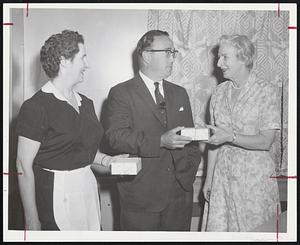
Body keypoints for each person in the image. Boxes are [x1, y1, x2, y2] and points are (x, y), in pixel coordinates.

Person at [16, 30, 124, 231]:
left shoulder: (87, 104)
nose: (87, 64)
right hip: (55, 194)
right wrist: (32, 220)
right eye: (83, 57)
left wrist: (109, 160)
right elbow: (23, 166)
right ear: (64, 61)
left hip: (87, 189)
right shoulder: (36, 107)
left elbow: (83, 152)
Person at [102, 30, 201, 231]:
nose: (173, 58)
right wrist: (160, 141)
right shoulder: (121, 93)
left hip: (180, 195)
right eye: (168, 52)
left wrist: (188, 174)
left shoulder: (180, 93)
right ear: (147, 55)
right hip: (141, 197)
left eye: (173, 52)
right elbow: (116, 137)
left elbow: (190, 138)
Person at [201, 34, 281, 232]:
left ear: (244, 58)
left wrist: (231, 136)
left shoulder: (267, 92)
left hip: (254, 182)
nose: (219, 63)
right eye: (219, 57)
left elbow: (266, 141)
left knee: (255, 232)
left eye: (225, 57)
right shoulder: (218, 93)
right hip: (222, 179)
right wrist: (208, 179)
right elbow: (215, 140)